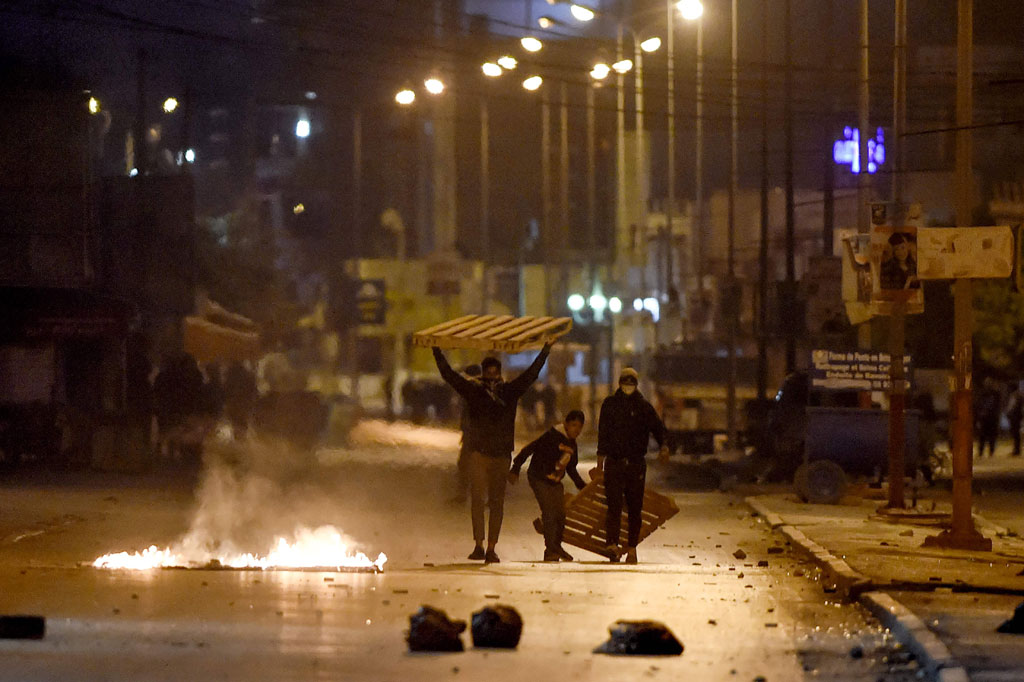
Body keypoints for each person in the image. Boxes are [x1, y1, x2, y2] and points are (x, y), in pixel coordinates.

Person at [433, 342, 553, 564]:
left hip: (494, 454)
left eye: (493, 373)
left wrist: (545, 351)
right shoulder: (486, 391)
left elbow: (531, 374)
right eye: (489, 373)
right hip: (484, 453)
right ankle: (483, 546)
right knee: (483, 501)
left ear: (497, 373)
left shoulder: (498, 391)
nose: (491, 377)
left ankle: (487, 547)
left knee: (491, 502)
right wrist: (437, 351)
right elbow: (449, 375)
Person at [597, 368, 668, 564]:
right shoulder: (610, 405)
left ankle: (632, 548)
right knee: (613, 506)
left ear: (636, 384)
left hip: (636, 464)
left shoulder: (644, 407)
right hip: (614, 462)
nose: (628, 386)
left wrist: (664, 446)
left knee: (635, 508)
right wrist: (599, 461)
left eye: (631, 383)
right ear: (619, 383)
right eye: (625, 382)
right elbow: (603, 432)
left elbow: (658, 428)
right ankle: (611, 544)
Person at [508, 410, 587, 562]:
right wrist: (515, 468)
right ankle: (551, 549)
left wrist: (582, 486)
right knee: (549, 510)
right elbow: (529, 449)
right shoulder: (552, 436)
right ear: (566, 424)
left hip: (555, 481)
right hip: (539, 477)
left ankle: (555, 546)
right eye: (574, 425)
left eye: (580, 427)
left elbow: (570, 468)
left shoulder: (572, 444)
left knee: (560, 514)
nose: (577, 430)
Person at [448, 364, 481, 505]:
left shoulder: (473, 390)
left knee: (465, 465)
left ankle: (463, 496)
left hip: (474, 435)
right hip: (482, 435)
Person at [975, 377, 1002, 458]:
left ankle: (991, 451)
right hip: (984, 417)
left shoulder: (996, 394)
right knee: (982, 436)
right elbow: (978, 405)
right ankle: (981, 451)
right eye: (987, 383)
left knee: (992, 436)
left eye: (989, 383)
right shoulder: (982, 394)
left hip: (992, 417)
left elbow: (997, 406)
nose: (988, 385)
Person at [1006, 382, 1024, 456]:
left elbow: (1014, 407)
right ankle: (1016, 449)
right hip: (1015, 417)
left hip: (1016, 417)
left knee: (1016, 434)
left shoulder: (1016, 396)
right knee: (1015, 434)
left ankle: (1016, 450)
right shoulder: (1016, 395)